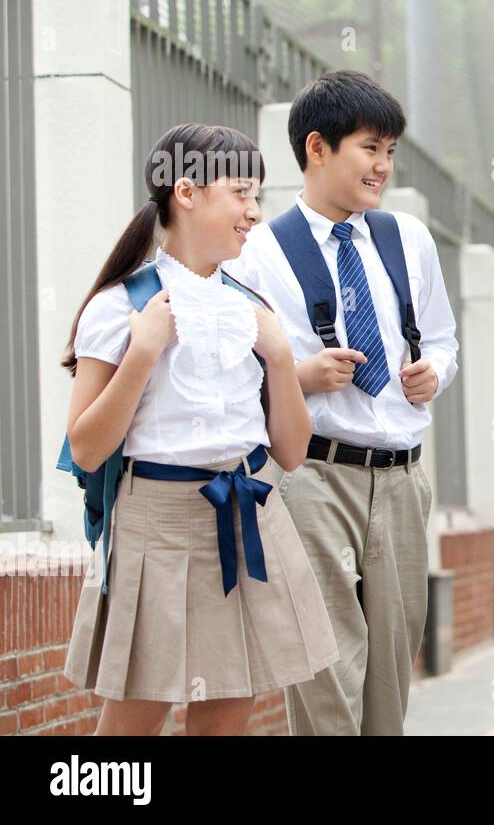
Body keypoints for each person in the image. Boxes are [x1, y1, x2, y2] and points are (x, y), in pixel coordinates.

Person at [62, 123, 337, 735]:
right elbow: (86, 448)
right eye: (241, 193)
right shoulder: (121, 306)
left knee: (227, 717)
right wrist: (142, 353)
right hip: (157, 524)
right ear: (186, 192)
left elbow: (292, 452)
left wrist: (281, 357)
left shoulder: (252, 306)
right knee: (133, 723)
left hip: (250, 514)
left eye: (256, 196)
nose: (254, 212)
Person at [229, 70, 459, 735]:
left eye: (390, 151)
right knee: (327, 664)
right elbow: (230, 370)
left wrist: (435, 371)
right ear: (317, 148)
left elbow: (442, 337)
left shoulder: (407, 237)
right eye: (370, 148)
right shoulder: (258, 250)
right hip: (313, 475)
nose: (383, 165)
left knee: (391, 668)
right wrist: (299, 376)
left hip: (403, 477)